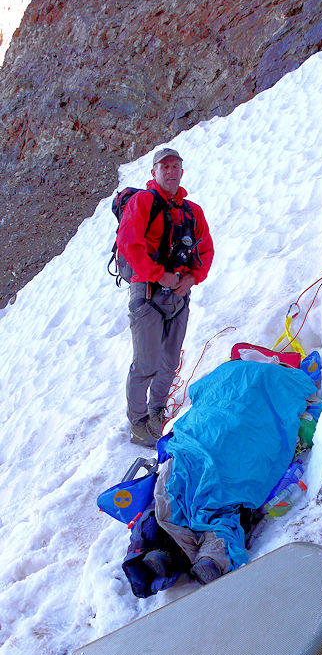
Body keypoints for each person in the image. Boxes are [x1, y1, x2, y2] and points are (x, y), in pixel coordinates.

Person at [116, 148, 214, 446]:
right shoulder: (143, 201)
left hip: (179, 296)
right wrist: (159, 275)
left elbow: (206, 250)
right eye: (165, 166)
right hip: (146, 293)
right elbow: (128, 244)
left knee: (169, 362)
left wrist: (191, 278)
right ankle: (138, 423)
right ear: (154, 173)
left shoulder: (192, 211)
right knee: (145, 364)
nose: (171, 171)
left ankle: (157, 412)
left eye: (176, 166)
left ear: (181, 172)